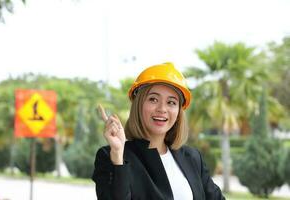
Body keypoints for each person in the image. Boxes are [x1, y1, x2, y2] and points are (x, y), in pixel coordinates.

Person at [92, 62, 225, 200]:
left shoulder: (192, 158)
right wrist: (118, 157)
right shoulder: (111, 156)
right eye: (153, 99)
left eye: (171, 102)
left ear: (179, 111)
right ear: (139, 104)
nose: (162, 109)